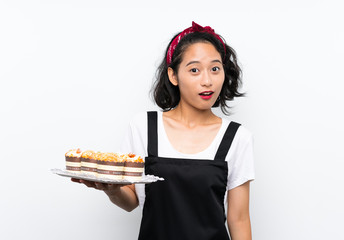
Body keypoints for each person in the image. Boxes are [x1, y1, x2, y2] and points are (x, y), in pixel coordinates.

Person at [72, 21, 255, 240]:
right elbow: (131, 201)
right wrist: (112, 189)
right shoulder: (144, 127)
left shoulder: (237, 137)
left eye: (215, 69)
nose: (207, 81)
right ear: (173, 75)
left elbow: (239, 219)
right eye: (194, 70)